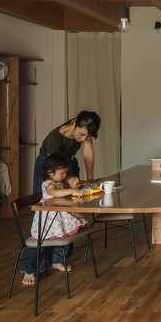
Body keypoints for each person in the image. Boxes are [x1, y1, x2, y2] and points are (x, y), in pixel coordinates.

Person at [21, 153, 88, 286]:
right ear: (50, 173)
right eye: (62, 173)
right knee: (42, 242)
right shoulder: (48, 183)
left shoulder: (59, 182)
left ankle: (56, 261)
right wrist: (71, 192)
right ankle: (30, 270)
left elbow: (63, 192)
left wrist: (74, 188)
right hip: (48, 219)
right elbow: (54, 193)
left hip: (59, 218)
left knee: (61, 240)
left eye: (66, 173)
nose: (65, 176)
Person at [32, 110, 101, 195]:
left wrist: (90, 179)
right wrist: (67, 177)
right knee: (43, 198)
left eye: (88, 137)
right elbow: (54, 164)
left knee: (75, 195)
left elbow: (88, 152)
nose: (83, 139)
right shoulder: (54, 138)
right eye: (81, 134)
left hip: (67, 162)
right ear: (74, 125)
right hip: (50, 163)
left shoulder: (84, 125)